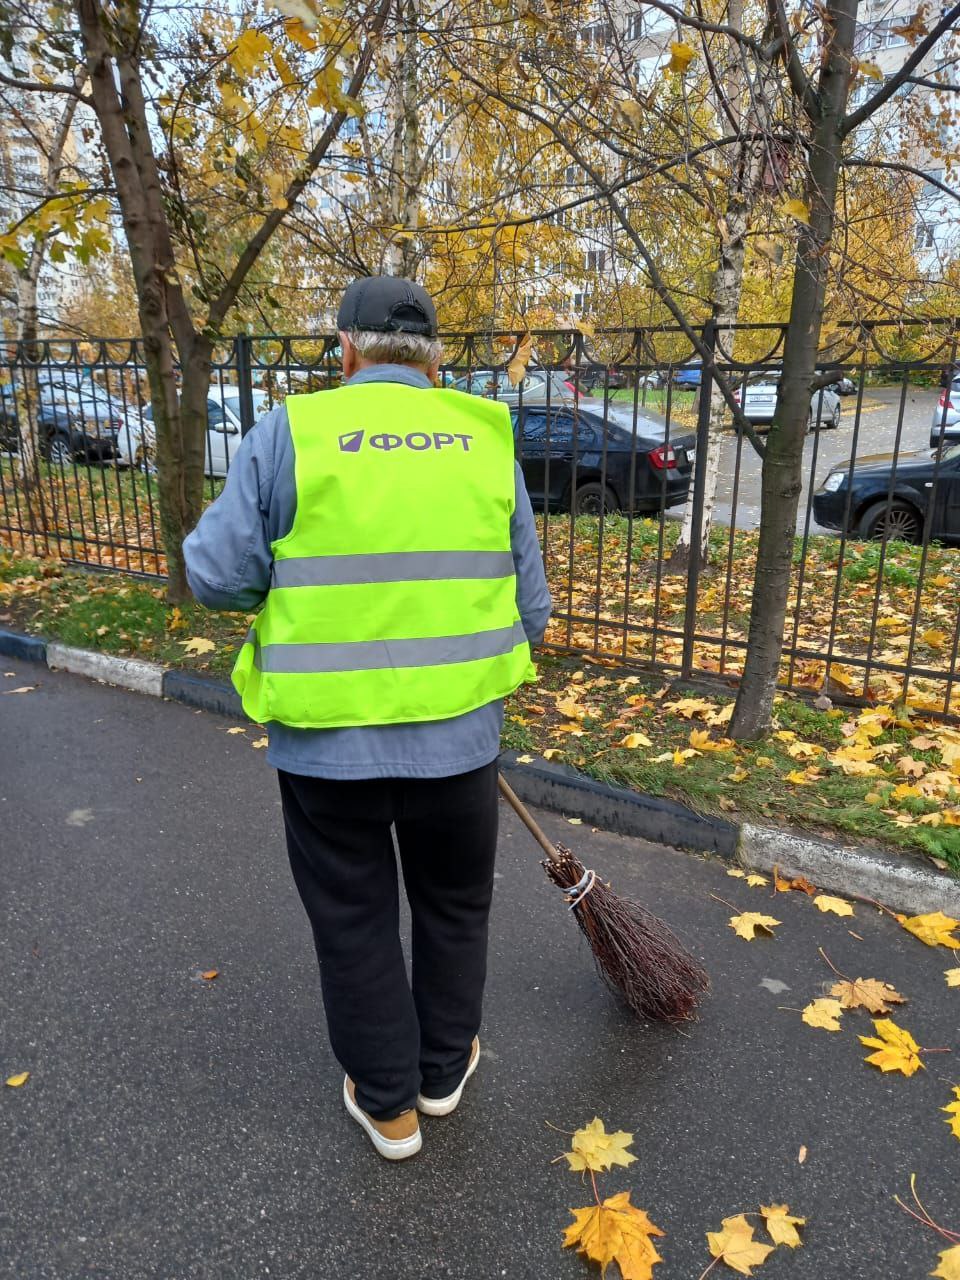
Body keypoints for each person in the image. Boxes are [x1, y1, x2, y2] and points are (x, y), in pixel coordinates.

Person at [183, 276, 551, 1161]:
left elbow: (214, 574)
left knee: (352, 917)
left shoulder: (292, 432)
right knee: (456, 905)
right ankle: (441, 1074)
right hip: (459, 742)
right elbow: (529, 607)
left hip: (326, 744)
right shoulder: (483, 439)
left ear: (342, 350)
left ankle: (389, 1108)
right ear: (436, 361)